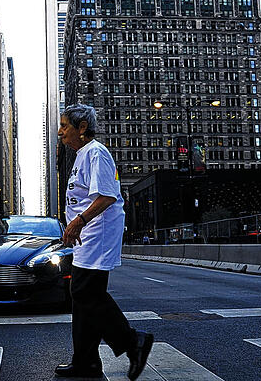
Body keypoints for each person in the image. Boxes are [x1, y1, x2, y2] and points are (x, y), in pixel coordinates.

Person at [54, 104, 153, 380]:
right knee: (81, 296)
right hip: (87, 235)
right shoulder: (81, 155)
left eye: (64, 126)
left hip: (98, 231)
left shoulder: (96, 153)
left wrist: (78, 222)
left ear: (82, 127)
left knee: (86, 293)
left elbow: (107, 196)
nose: (60, 131)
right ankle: (86, 362)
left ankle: (134, 342)